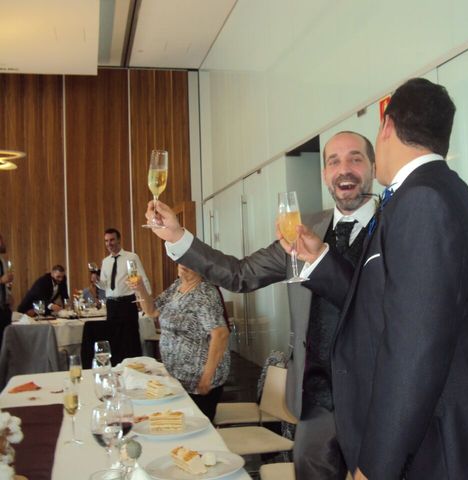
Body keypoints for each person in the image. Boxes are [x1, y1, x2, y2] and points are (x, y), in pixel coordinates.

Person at [287, 78, 468, 479]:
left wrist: (374, 465)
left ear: (386, 127)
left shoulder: (421, 202)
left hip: (443, 443)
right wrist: (321, 259)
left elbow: (414, 349)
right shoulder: (436, 190)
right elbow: (384, 298)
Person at [144, 131, 377, 479]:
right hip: (317, 399)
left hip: (378, 399)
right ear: (324, 174)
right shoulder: (303, 228)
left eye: (355, 159)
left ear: (373, 166)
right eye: (334, 161)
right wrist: (179, 237)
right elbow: (240, 274)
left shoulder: (395, 226)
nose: (345, 169)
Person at [131, 264, 230, 421]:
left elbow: (220, 334)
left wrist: (206, 378)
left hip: (198, 382)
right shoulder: (177, 286)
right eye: (181, 260)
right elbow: (152, 311)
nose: (184, 265)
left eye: (190, 262)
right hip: (178, 379)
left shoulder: (205, 293)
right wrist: (140, 288)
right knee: (176, 425)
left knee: (195, 431)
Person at [97, 228, 151, 364]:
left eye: (112, 240)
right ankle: (115, 370)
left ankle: (135, 369)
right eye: (106, 241)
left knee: (130, 339)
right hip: (111, 305)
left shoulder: (131, 257)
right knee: (113, 339)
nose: (109, 243)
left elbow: (141, 279)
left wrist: (147, 301)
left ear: (119, 240)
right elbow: (105, 285)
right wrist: (97, 281)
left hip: (127, 303)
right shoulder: (105, 262)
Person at [0, 233, 14, 347]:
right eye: (1, 241)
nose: (3, 243)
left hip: (4, 308)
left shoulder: (2, 261)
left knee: (6, 343)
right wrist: (1, 280)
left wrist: (9, 293)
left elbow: (5, 283)